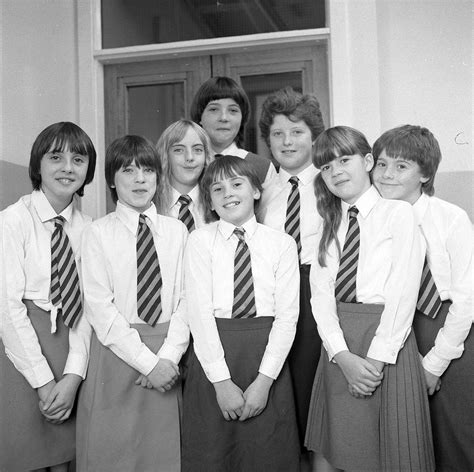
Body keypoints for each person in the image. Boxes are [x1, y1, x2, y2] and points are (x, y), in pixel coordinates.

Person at [305, 126, 435, 472]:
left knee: (388, 452)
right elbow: (320, 297)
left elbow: (404, 294)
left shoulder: (398, 214)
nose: (336, 172)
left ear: (367, 162)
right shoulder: (328, 222)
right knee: (335, 449)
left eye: (344, 160)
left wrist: (375, 362)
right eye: (326, 167)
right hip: (340, 346)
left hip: (386, 344)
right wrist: (341, 354)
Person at [77, 135, 189, 472]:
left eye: (148, 170)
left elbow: (187, 301)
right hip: (117, 355)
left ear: (158, 176)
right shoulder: (96, 233)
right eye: (128, 170)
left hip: (168, 357)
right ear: (112, 179)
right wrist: (146, 363)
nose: (140, 179)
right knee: (113, 457)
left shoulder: (177, 231)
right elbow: (99, 309)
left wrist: (166, 360)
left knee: (164, 457)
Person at [181, 155, 300, 471]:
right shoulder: (199, 241)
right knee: (212, 454)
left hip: (266, 358)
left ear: (256, 191)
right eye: (217, 189)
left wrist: (264, 382)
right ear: (209, 201)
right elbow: (199, 314)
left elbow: (287, 317)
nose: (228, 194)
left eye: (236, 184)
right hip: (214, 358)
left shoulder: (282, 244)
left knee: (266, 455)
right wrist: (221, 382)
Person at [372, 124, 473, 472]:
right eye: (381, 164)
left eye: (401, 166)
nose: (386, 174)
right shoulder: (372, 220)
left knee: (456, 435)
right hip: (394, 329)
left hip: (447, 330)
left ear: (425, 173)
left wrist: (433, 363)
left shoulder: (451, 218)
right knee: (407, 438)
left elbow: (466, 300)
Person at [0, 122, 96, 472]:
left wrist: (72, 377)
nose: (67, 168)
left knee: (65, 460)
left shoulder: (89, 230)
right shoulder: (12, 221)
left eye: (78, 159)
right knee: (25, 458)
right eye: (56, 157)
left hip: (71, 352)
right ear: (37, 165)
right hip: (19, 356)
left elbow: (88, 311)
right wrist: (43, 382)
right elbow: (7, 310)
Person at [257, 86, 325, 457]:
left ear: (313, 136)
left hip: (319, 290)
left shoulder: (332, 184)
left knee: (315, 383)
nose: (287, 141)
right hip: (274, 294)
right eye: (277, 133)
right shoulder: (262, 191)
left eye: (297, 132)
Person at [190, 76, 277, 186]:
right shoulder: (188, 165)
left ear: (242, 118)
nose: (224, 118)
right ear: (200, 117)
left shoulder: (262, 167)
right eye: (214, 109)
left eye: (233, 110)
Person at [155, 119, 212, 230]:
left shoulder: (219, 202)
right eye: (179, 150)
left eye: (198, 150)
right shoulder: (150, 204)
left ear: (207, 156)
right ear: (165, 156)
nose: (189, 157)